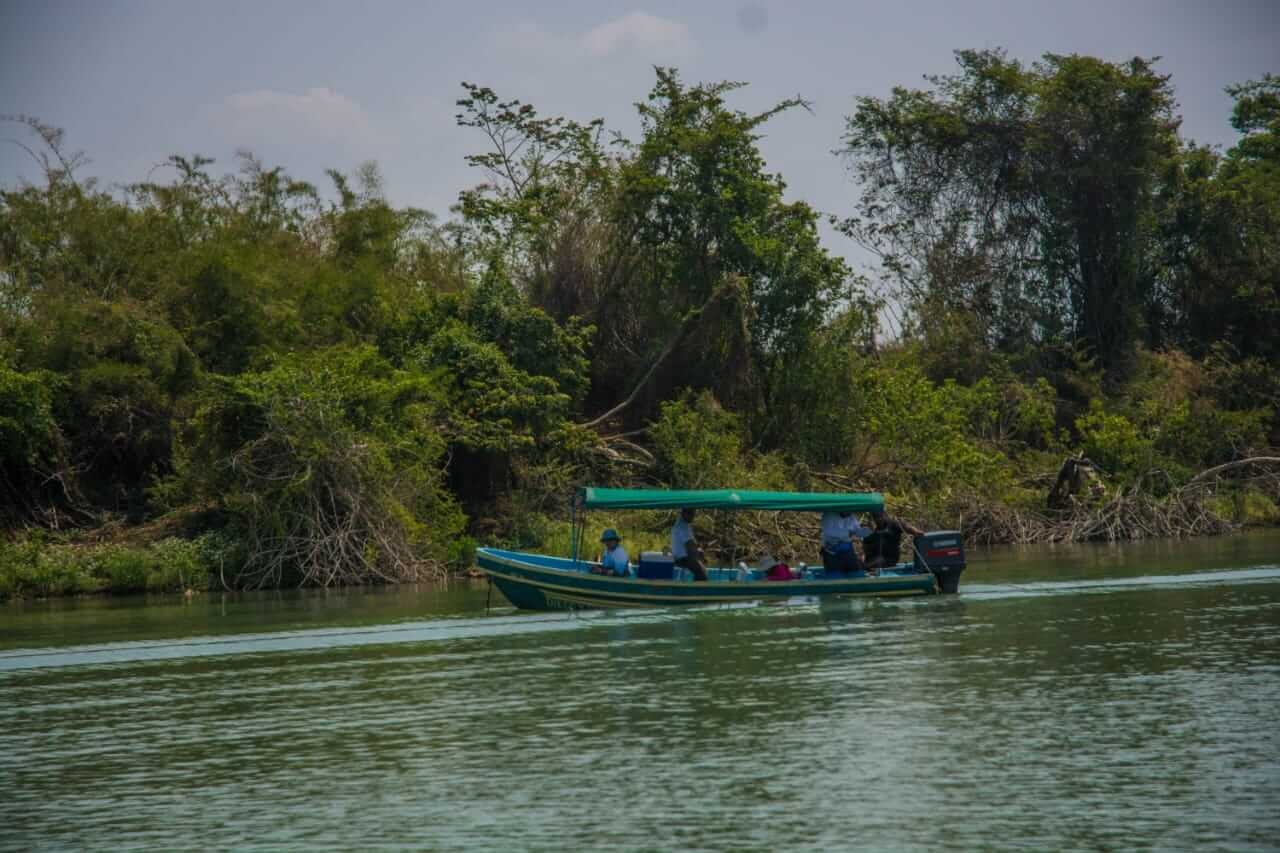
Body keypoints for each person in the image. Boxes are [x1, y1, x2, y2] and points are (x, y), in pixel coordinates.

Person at [819, 510, 871, 577]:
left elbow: (858, 531)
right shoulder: (829, 515)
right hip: (832, 553)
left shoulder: (851, 517)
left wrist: (867, 531)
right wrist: (848, 533)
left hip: (848, 552)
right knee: (834, 576)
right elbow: (828, 531)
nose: (849, 513)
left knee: (856, 574)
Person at [670, 508, 709, 582]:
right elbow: (690, 546)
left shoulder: (684, 524)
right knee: (702, 573)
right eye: (690, 514)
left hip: (683, 557)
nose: (693, 516)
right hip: (683, 559)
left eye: (693, 513)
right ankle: (698, 588)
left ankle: (696, 585)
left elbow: (692, 544)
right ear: (683, 513)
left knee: (701, 568)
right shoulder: (682, 527)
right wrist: (698, 554)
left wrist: (698, 550)